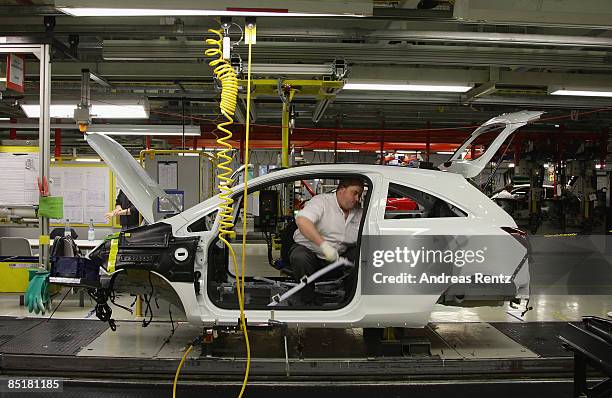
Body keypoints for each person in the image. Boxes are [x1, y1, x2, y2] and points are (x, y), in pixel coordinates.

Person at [289, 178, 364, 304]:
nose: (357, 199)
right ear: (341, 190)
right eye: (354, 193)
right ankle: (307, 304)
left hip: (338, 258)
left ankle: (348, 304)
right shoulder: (321, 202)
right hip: (311, 253)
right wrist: (324, 246)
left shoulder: (359, 213)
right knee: (300, 257)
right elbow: (302, 221)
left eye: (360, 195)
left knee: (361, 257)